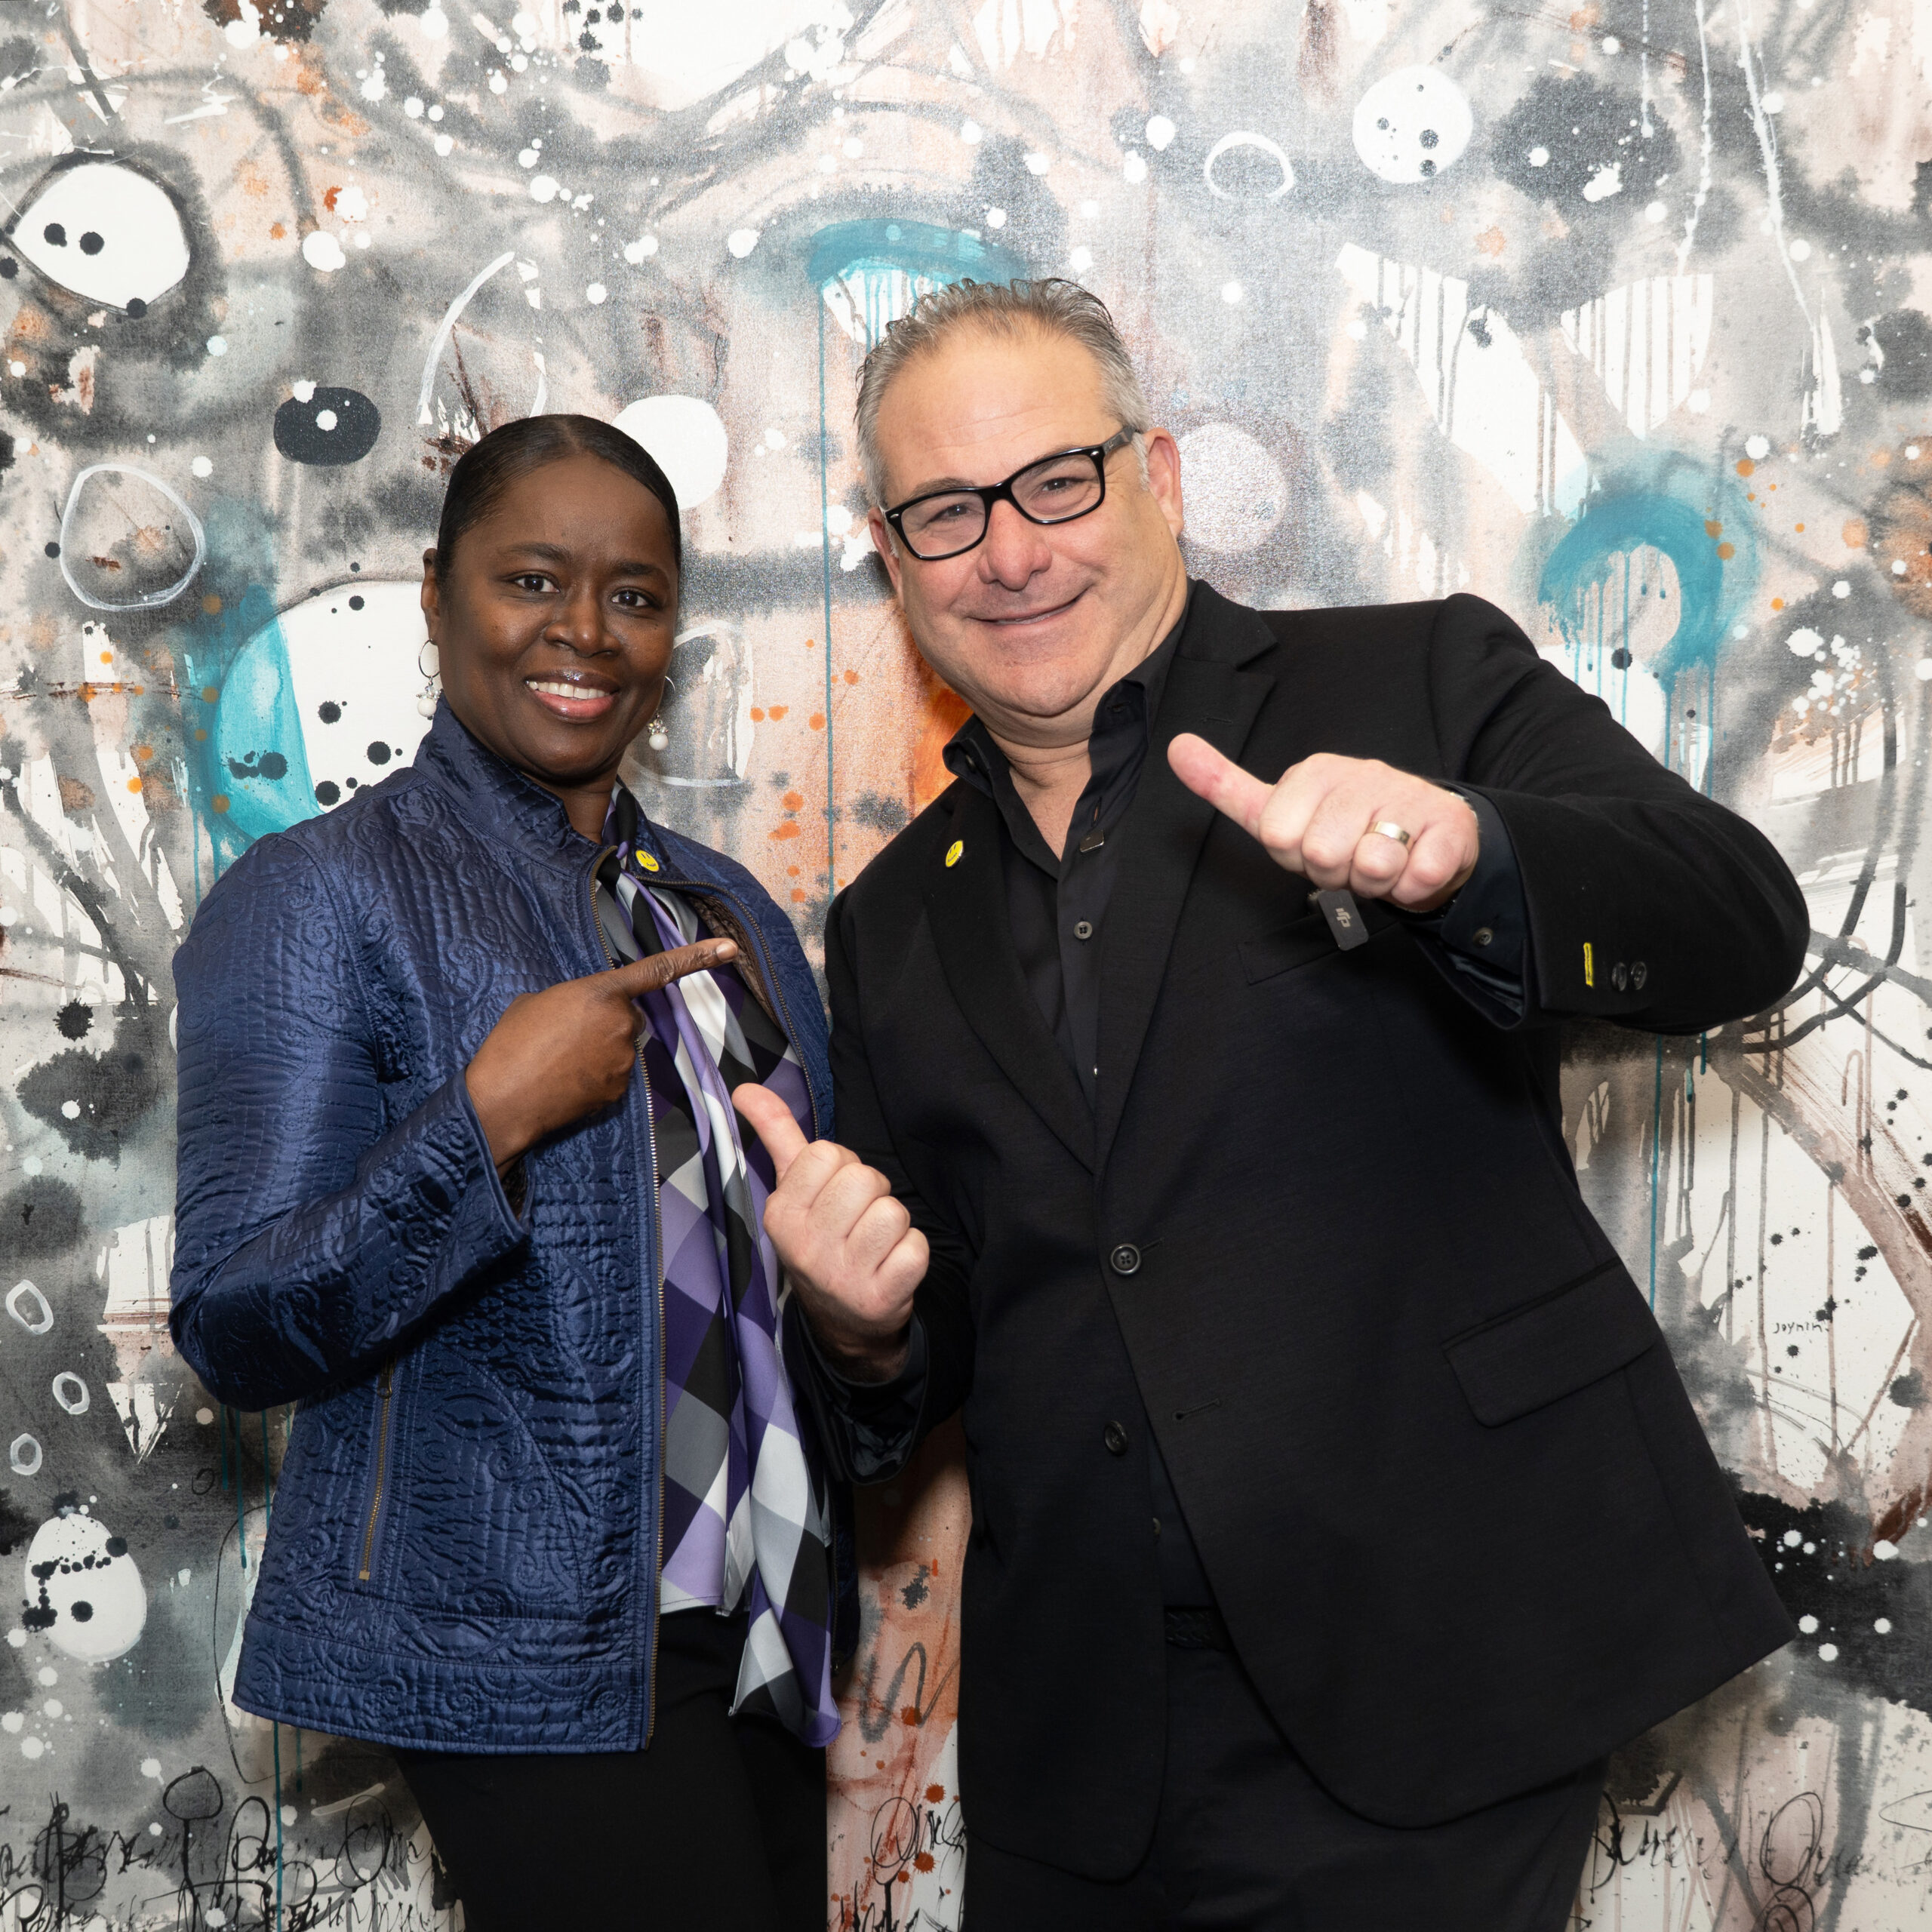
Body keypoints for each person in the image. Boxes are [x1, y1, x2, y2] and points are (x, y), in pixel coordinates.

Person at [733, 281, 1807, 1930]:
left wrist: (1476, 855)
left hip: (1430, 1667)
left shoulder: (1414, 678)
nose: (1008, 551)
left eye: (1054, 480)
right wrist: (866, 1324)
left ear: (1153, 471)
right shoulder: (887, 916)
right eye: (945, 510)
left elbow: (1736, 918)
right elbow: (951, 1325)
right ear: (893, 555)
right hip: (1082, 1743)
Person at [171, 414, 841, 1932]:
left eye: (634, 593)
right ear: (436, 590)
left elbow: (793, 1277)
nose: (583, 633)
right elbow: (233, 1319)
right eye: (531, 578)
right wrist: (480, 1123)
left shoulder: (726, 911)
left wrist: (867, 1315)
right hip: (522, 1656)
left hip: (759, 1622)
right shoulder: (319, 896)